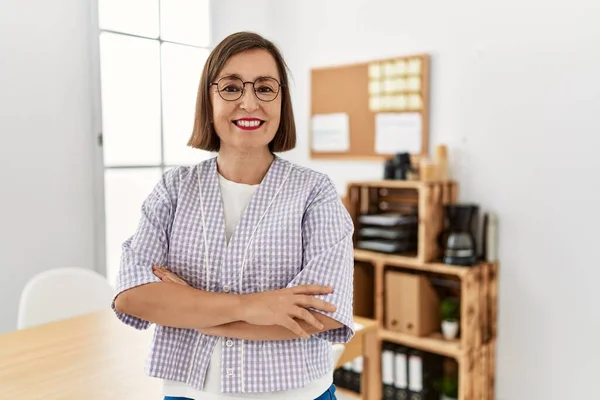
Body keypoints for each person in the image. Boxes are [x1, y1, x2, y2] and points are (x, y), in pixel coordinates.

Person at [112, 31, 355, 400]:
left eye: (264, 88)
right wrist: (256, 306)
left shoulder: (315, 193)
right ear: (208, 100)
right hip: (188, 392)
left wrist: (193, 310)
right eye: (230, 87)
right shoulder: (174, 189)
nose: (248, 102)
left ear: (281, 100)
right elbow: (131, 296)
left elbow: (323, 315)